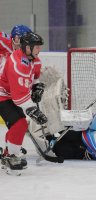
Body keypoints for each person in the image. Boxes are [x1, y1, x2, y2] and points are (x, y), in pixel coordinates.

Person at [0, 32, 48, 173]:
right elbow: (19, 98)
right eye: (37, 47)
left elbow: (35, 76)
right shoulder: (17, 64)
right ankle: (11, 156)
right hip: (3, 96)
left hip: (12, 94)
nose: (39, 50)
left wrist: (36, 86)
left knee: (19, 124)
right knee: (19, 124)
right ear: (27, 47)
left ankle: (9, 151)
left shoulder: (34, 59)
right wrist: (34, 111)